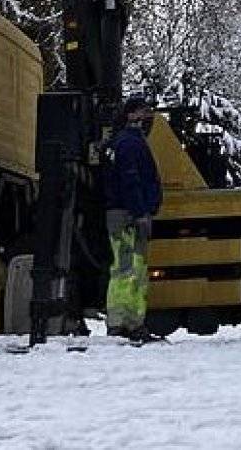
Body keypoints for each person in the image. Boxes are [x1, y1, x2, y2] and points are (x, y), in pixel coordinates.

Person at [103, 94, 163, 342]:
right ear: (130, 115)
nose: (146, 116)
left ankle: (125, 323)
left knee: (127, 270)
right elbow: (132, 180)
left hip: (123, 214)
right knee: (129, 270)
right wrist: (140, 212)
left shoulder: (121, 143)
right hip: (128, 215)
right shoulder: (130, 144)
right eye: (142, 111)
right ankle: (127, 324)